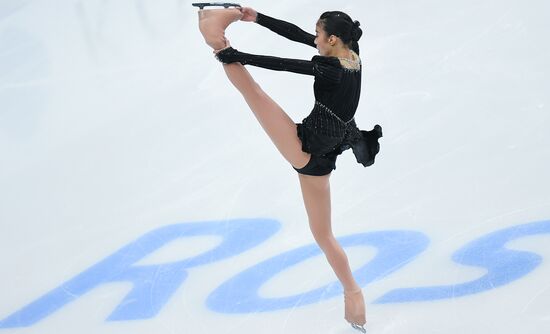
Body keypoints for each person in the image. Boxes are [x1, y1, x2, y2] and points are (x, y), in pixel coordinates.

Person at [195, 4, 382, 332]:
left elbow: (283, 64)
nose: (315, 38)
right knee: (323, 235)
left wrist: (235, 55)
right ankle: (353, 293)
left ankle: (216, 40)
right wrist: (259, 18)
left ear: (333, 39)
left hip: (306, 149)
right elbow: (298, 37)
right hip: (326, 152)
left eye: (319, 34)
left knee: (253, 93)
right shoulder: (351, 53)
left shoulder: (330, 68)